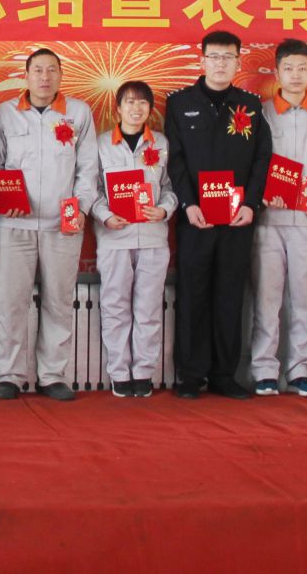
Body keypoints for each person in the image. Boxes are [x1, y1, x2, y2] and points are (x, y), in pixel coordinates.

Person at [163, 30, 272, 400]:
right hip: (195, 219)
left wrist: (251, 204)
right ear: (202, 61)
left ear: (238, 62)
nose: (221, 63)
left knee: (229, 294)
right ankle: (190, 375)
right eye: (214, 57)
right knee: (192, 294)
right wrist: (188, 204)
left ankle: (224, 374)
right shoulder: (180, 103)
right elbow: (175, 160)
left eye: (228, 57)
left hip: (237, 219)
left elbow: (262, 158)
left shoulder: (251, 105)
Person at [0, 48, 97, 401]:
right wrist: (2, 198)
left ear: (61, 75)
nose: (45, 77)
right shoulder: (4, 113)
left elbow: (88, 168)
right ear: (26, 75)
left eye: (52, 70)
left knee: (59, 301)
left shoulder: (78, 113)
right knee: (11, 301)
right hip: (14, 223)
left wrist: (81, 208)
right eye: (38, 70)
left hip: (61, 225)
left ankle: (53, 375)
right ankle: (9, 375)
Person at [249, 39, 307, 397]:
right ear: (277, 72)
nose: (296, 75)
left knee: (305, 299)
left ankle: (300, 370)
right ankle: (264, 370)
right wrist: (261, 194)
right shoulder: (263, 113)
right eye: (289, 68)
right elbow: (252, 163)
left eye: (302, 68)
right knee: (266, 300)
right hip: (270, 222)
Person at [89, 81, 176, 398]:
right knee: (115, 307)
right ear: (118, 108)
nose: (136, 108)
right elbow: (91, 190)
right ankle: (119, 372)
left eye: (142, 103)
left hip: (153, 237)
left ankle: (143, 372)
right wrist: (104, 215)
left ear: (150, 109)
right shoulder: (101, 144)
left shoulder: (162, 143)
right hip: (114, 238)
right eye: (129, 102)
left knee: (148, 308)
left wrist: (164, 210)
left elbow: (171, 187)